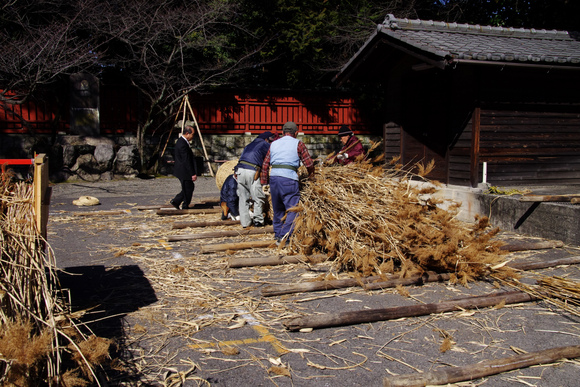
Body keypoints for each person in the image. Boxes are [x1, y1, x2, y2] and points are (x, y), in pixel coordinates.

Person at [260, 122, 314, 244]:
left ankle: (277, 234)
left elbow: (265, 164)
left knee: (278, 209)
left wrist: (264, 182)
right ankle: (285, 236)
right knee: (293, 209)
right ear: (296, 133)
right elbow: (309, 164)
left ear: (283, 132)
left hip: (274, 178)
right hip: (289, 179)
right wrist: (312, 176)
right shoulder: (298, 144)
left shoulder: (273, 144)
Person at [235, 131, 277, 227]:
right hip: (253, 171)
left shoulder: (249, 145)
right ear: (267, 139)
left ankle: (245, 223)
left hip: (240, 170)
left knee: (243, 198)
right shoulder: (265, 144)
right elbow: (270, 158)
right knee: (258, 196)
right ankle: (258, 221)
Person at [170, 126, 198, 209]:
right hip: (184, 170)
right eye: (192, 134)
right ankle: (184, 205)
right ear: (187, 133)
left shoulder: (182, 142)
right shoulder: (182, 143)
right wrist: (192, 173)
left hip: (183, 170)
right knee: (188, 188)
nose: (193, 136)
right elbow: (186, 160)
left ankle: (176, 201)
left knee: (188, 188)